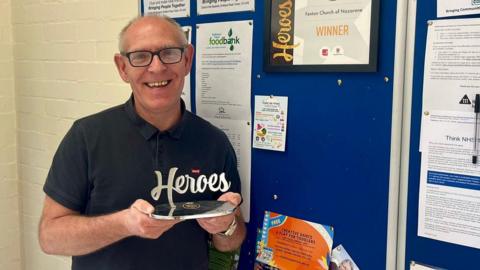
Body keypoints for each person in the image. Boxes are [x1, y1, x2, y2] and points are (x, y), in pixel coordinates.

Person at [38, 15, 246, 270]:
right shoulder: (86, 137)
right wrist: (123, 224)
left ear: (187, 59)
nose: (157, 68)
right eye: (140, 56)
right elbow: (50, 238)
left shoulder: (214, 142)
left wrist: (227, 226)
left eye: (169, 53)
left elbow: (231, 242)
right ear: (122, 67)